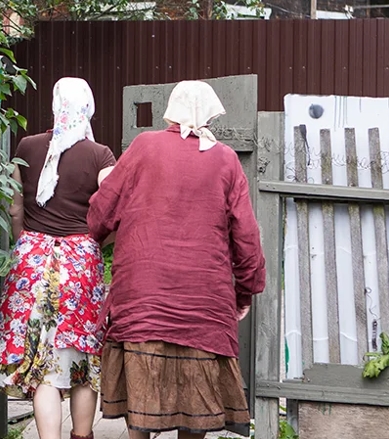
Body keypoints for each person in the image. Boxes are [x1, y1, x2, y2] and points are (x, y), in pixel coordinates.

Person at [87, 81, 266, 439]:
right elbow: (247, 235)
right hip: (204, 304)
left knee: (141, 398)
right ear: (210, 115)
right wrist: (245, 291)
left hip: (142, 297)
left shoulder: (143, 147)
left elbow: (101, 214)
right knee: (197, 406)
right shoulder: (225, 159)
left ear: (170, 111)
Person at [0, 77, 115, 439]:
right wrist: (98, 242)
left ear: (55, 105)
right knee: (81, 359)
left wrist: (27, 243)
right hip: (79, 261)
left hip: (31, 258)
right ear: (88, 108)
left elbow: (15, 208)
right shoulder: (100, 155)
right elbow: (115, 209)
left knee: (43, 367)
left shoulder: (26, 147)